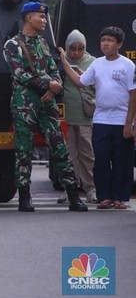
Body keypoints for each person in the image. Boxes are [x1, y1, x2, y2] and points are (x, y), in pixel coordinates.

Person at [3, 1, 87, 212]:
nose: (43, 20)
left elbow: (53, 68)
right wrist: (46, 84)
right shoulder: (12, 45)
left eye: (44, 16)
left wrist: (55, 87)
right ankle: (24, 197)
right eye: (40, 17)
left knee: (60, 148)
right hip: (25, 105)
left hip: (47, 103)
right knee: (24, 151)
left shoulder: (43, 43)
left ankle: (73, 196)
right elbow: (19, 74)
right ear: (28, 18)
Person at [60, 26, 136, 210]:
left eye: (110, 40)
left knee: (121, 161)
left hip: (121, 121)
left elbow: (133, 94)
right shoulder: (97, 64)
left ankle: (120, 198)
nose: (106, 43)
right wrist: (64, 62)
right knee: (100, 159)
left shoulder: (128, 65)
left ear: (119, 44)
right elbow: (80, 81)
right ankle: (105, 197)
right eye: (103, 40)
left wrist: (129, 123)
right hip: (101, 119)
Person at [57, 30, 97, 204]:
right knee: (68, 155)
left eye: (80, 48)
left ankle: (91, 189)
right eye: (72, 48)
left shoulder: (93, 62)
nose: (76, 53)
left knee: (87, 155)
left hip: (85, 117)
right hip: (66, 117)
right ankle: (69, 189)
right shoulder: (59, 62)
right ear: (67, 47)